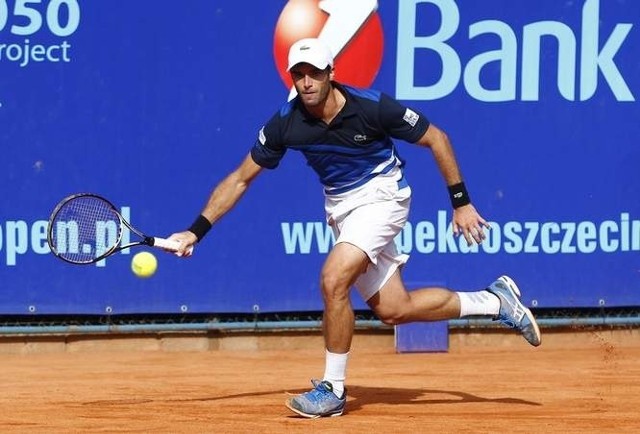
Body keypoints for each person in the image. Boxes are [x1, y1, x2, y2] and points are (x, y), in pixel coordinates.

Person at [167, 37, 541, 418]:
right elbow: (240, 179)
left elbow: (436, 138)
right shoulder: (285, 122)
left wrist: (461, 203)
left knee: (333, 279)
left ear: (332, 73)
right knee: (396, 309)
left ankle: (333, 389)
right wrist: (195, 230)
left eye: (315, 73)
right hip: (341, 208)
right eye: (299, 74)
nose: (307, 82)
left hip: (383, 195)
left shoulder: (371, 106)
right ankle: (496, 301)